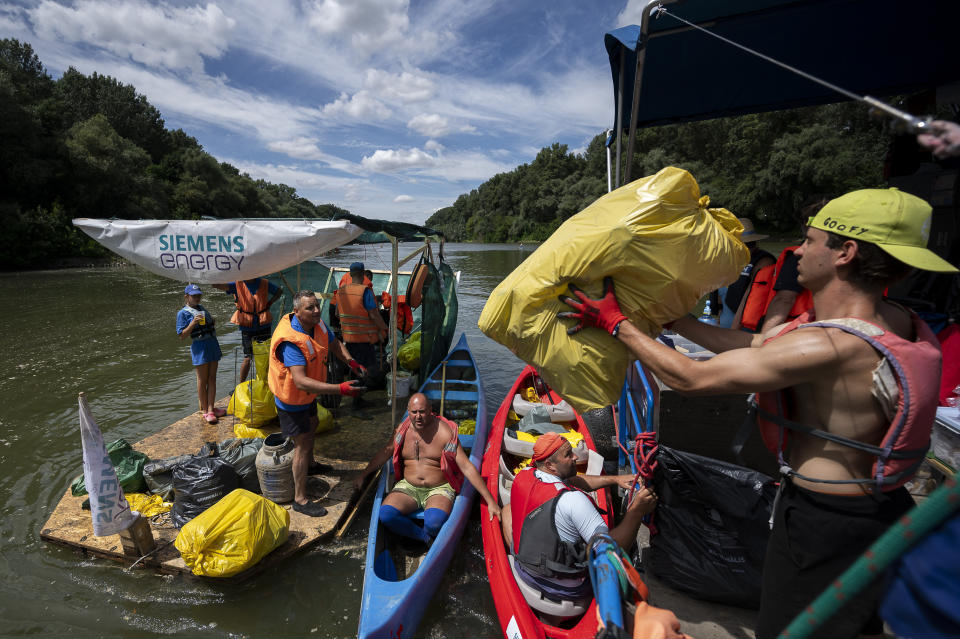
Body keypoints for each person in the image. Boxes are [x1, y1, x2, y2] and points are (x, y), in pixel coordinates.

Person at [557, 188, 955, 638]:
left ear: (846, 252)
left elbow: (690, 378)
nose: (797, 251)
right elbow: (761, 348)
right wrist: (678, 323)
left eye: (809, 241)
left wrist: (615, 323)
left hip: (828, 524)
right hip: (872, 510)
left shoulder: (832, 345)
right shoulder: (893, 319)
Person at [505, 432, 657, 600]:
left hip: (524, 568)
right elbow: (610, 553)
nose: (576, 456)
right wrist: (637, 510)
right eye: (568, 454)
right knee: (600, 546)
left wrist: (615, 479)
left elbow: (570, 481)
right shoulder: (573, 501)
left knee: (506, 510)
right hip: (564, 587)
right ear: (550, 465)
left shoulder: (525, 474)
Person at [268, 290, 366, 517]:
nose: (315, 311)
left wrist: (352, 362)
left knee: (312, 427)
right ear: (297, 312)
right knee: (301, 445)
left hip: (308, 396)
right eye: (309, 308)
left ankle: (311, 465)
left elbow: (335, 344)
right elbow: (301, 382)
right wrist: (341, 389)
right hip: (292, 399)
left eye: (316, 306)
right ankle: (300, 499)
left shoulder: (318, 323)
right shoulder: (291, 342)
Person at [356, 392, 501, 545]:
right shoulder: (401, 431)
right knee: (385, 515)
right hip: (409, 486)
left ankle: (423, 535)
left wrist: (490, 500)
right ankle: (424, 538)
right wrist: (363, 474)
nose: (418, 416)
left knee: (434, 523)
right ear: (408, 410)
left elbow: (466, 467)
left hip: (438, 488)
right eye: (414, 412)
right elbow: (385, 452)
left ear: (430, 410)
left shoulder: (445, 432)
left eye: (422, 411)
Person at [212, 278, 282, 382]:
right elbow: (216, 285)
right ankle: (241, 384)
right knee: (247, 357)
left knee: (265, 356)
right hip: (247, 326)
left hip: (264, 324)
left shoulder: (264, 283)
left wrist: (270, 302)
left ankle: (267, 382)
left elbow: (279, 291)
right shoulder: (236, 284)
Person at [176, 284, 225, 424]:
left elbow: (207, 325)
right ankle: (205, 411)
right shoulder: (183, 313)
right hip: (200, 347)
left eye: (198, 295)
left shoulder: (202, 308)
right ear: (186, 297)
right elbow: (182, 335)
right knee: (202, 380)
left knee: (212, 378)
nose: (197, 298)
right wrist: (193, 323)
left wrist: (211, 322)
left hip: (212, 344)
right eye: (194, 296)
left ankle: (211, 408)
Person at [717, 218, 775, 329]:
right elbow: (720, 297)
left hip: (744, 334)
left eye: (751, 244)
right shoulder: (726, 262)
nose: (748, 249)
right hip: (723, 331)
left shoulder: (764, 262)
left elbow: (750, 297)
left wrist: (734, 333)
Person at [337, 261, 388, 372]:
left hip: (348, 338)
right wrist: (385, 329)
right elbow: (374, 316)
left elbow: (337, 313)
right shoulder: (365, 291)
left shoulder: (340, 292)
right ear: (363, 274)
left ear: (350, 274)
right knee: (367, 368)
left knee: (354, 366)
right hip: (364, 339)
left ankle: (354, 385)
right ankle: (363, 386)